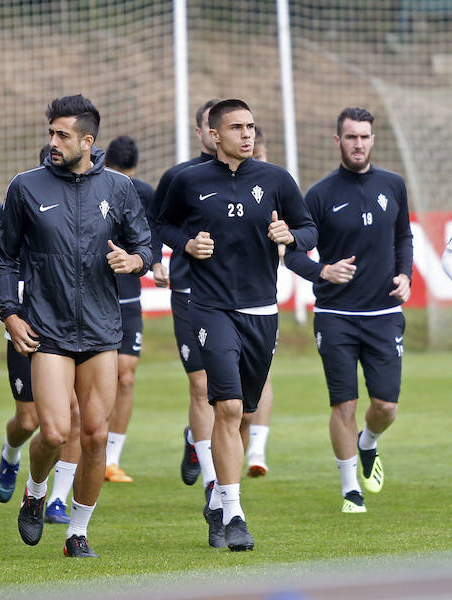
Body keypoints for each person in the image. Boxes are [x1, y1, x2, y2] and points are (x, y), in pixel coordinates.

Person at [0, 95, 153, 558]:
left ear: (88, 140)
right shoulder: (25, 186)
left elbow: (144, 244)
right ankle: (36, 491)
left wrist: (136, 259)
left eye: (62, 135)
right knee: (53, 432)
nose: (53, 142)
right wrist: (10, 312)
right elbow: (2, 257)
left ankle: (77, 532)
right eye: (50, 133)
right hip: (48, 330)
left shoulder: (120, 188)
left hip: (103, 330)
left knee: (96, 436)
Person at [158, 99, 316, 551]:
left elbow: (308, 230)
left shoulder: (276, 179)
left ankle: (219, 500)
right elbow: (161, 225)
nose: (247, 134)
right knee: (225, 408)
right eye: (236, 127)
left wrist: (292, 237)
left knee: (244, 413)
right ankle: (233, 512)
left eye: (251, 126)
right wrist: (187, 244)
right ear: (213, 134)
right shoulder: (187, 179)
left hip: (261, 310)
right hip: (209, 307)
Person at [285, 107, 413, 514]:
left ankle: (368, 443)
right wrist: (324, 270)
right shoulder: (320, 195)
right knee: (343, 405)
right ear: (337, 141)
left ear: (373, 140)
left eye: (365, 136)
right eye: (351, 137)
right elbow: (292, 254)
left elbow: (403, 237)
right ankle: (350, 491)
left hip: (384, 314)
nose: (359, 144)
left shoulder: (393, 185)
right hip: (336, 316)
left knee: (386, 407)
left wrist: (405, 275)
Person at [0, 177, 81, 526]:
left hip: (73, 327)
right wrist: (15, 292)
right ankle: (10, 456)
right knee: (28, 420)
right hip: (27, 325)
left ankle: (55, 500)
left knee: (75, 415)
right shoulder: (19, 202)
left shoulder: (83, 207)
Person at [150, 98, 220, 494]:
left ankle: (197, 439)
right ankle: (215, 483)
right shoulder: (179, 178)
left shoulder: (253, 178)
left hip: (237, 295)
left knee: (235, 396)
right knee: (201, 385)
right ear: (200, 132)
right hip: (190, 291)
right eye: (208, 126)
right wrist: (160, 261)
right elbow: (158, 225)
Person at [102, 135, 157, 483]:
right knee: (96, 379)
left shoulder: (145, 194)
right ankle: (83, 450)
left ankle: (111, 458)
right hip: (97, 296)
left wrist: (153, 262)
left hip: (130, 298)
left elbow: (152, 239)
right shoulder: (96, 189)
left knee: (126, 375)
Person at [243, 125, 276, 478]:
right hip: (221, 300)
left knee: (263, 375)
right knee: (212, 385)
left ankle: (257, 448)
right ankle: (200, 436)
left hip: (262, 300)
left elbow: (302, 234)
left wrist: (287, 237)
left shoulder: (277, 187)